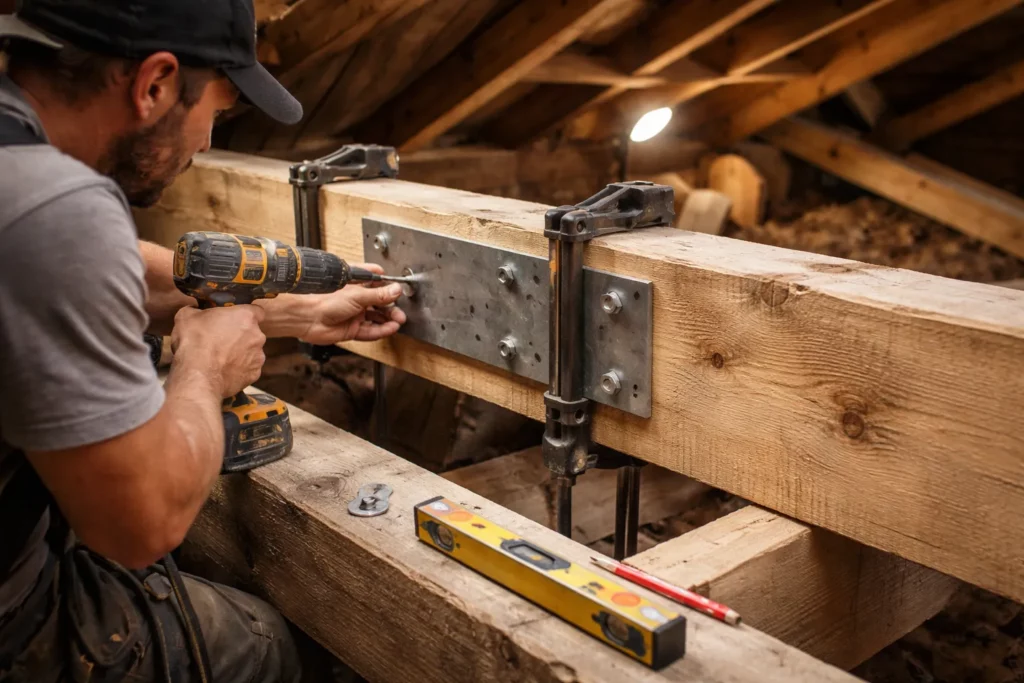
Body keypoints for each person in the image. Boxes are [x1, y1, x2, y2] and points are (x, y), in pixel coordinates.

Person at [0, 1, 406, 681]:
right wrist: (205, 366)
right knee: (270, 644)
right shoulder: (59, 205)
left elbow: (86, 276)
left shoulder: (19, 168)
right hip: (14, 623)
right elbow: (141, 525)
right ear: (154, 84)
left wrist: (288, 313)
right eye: (215, 112)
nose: (207, 144)